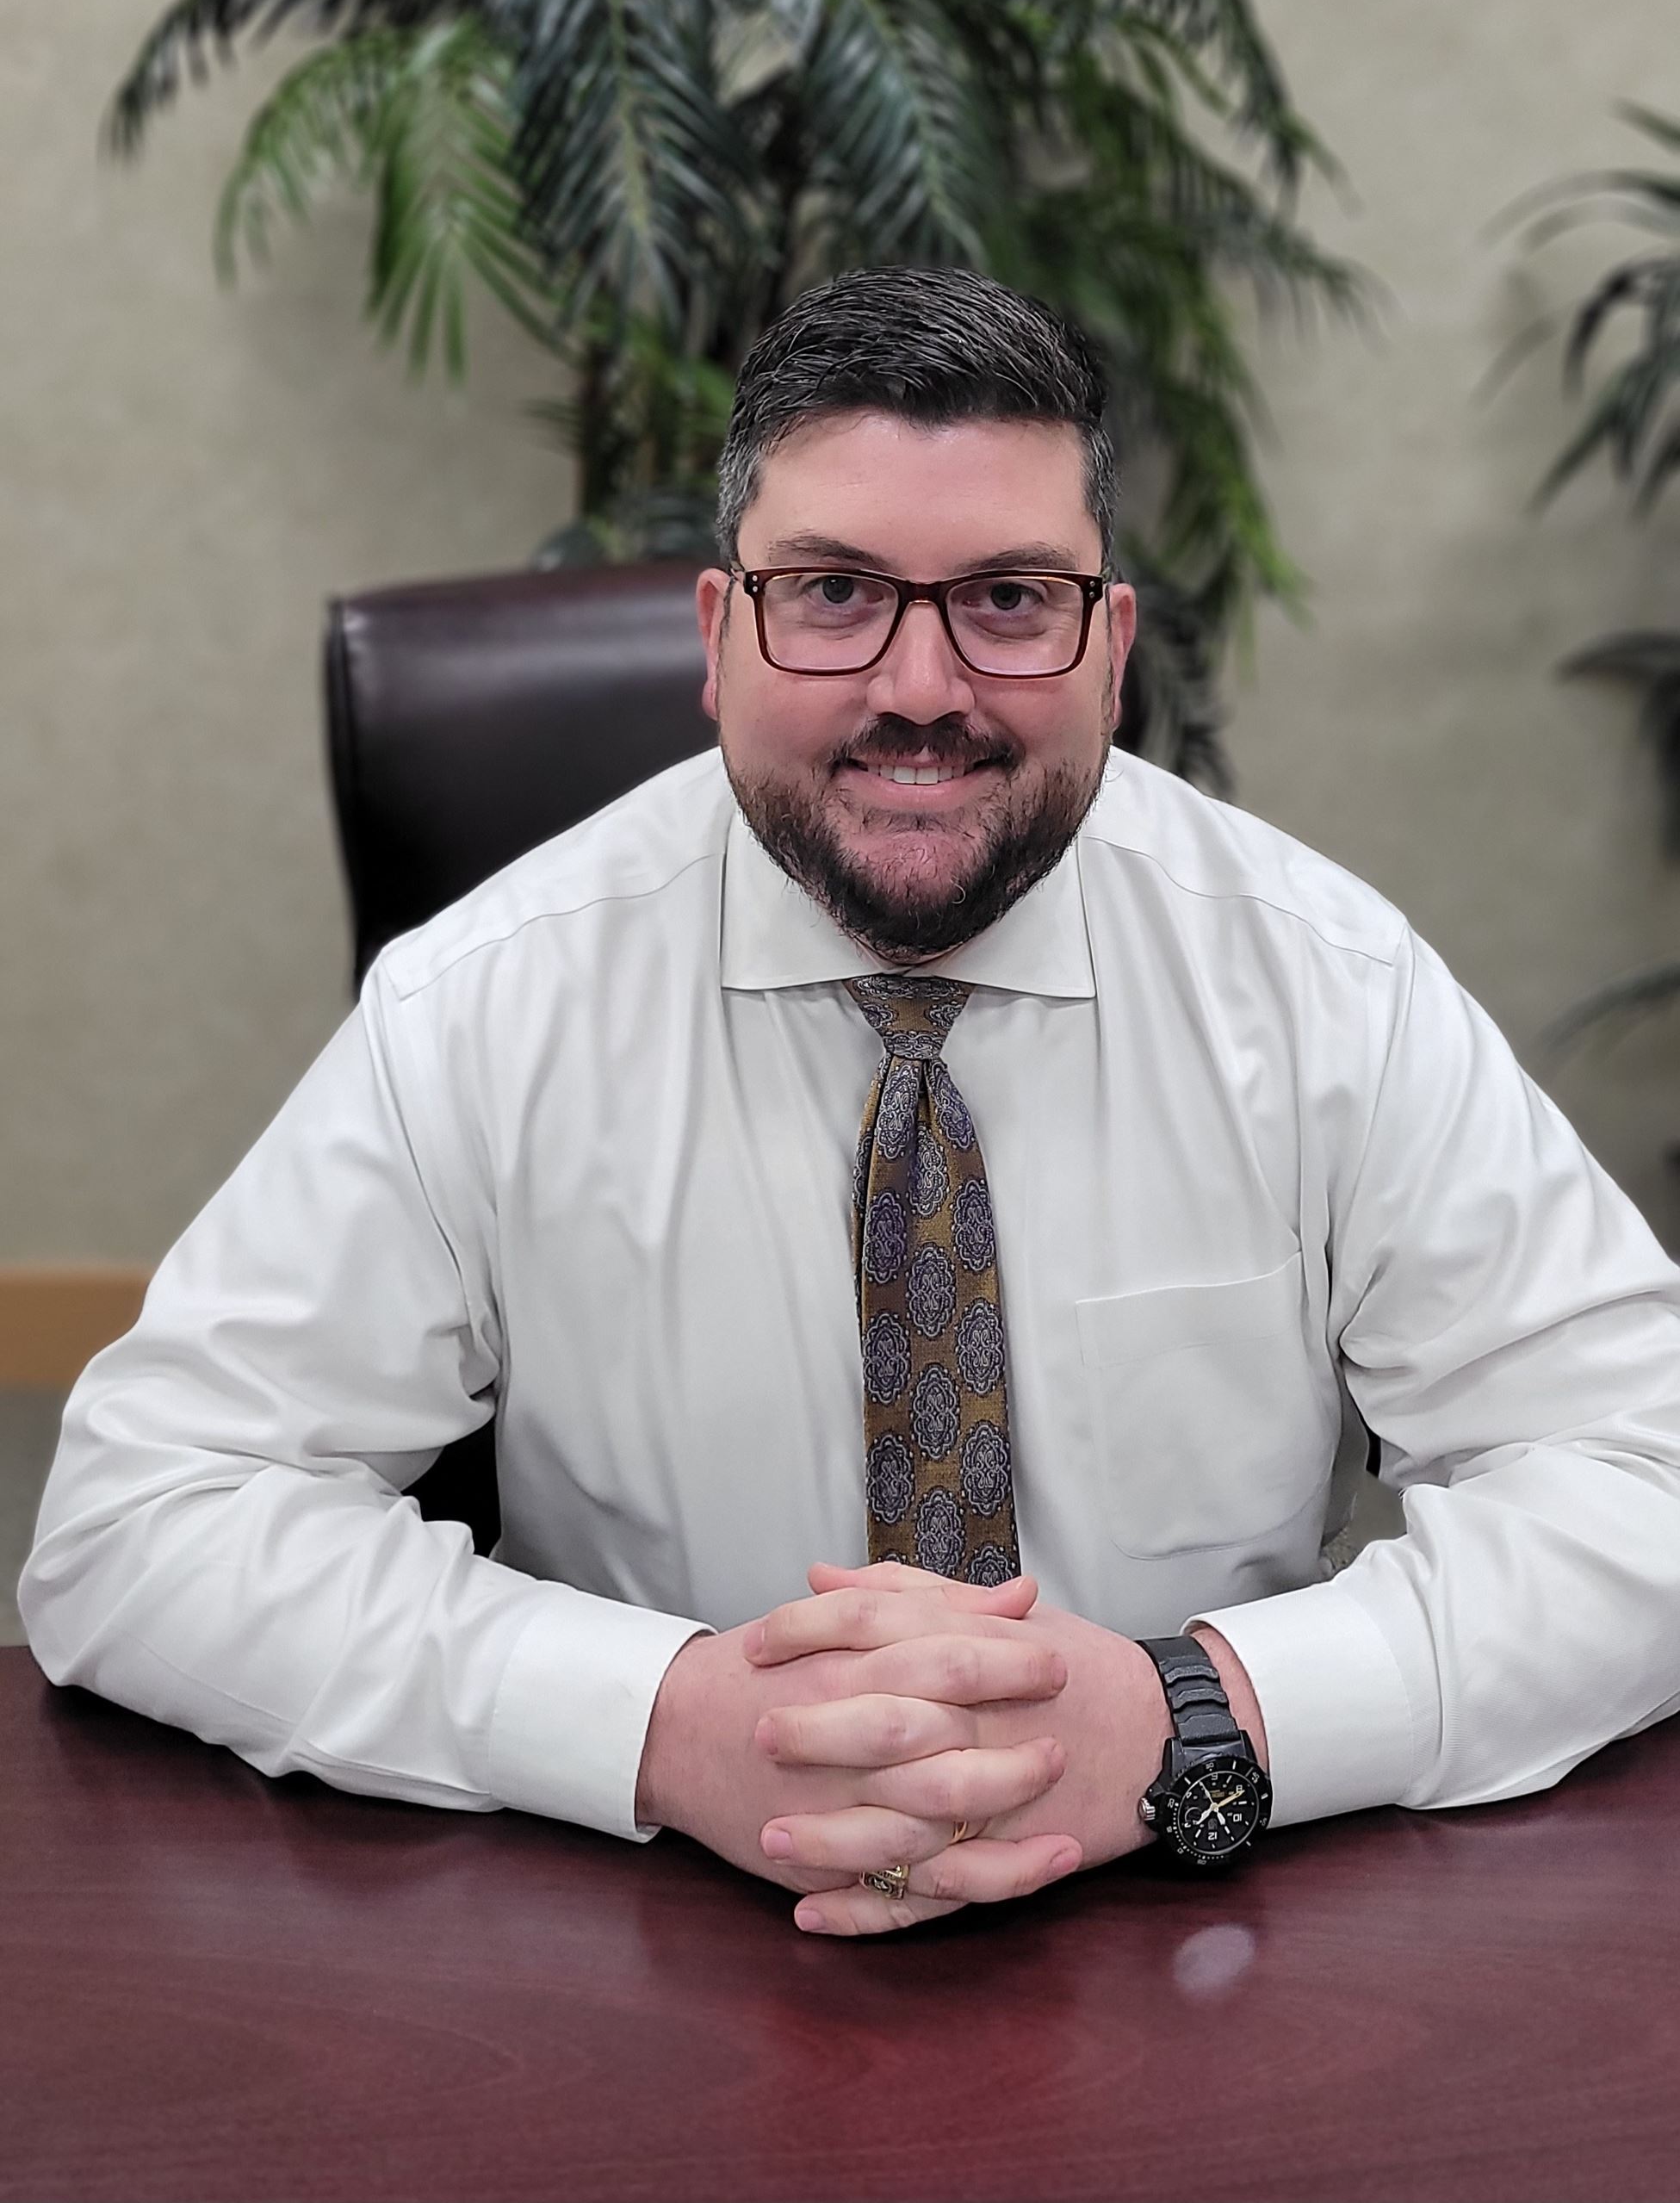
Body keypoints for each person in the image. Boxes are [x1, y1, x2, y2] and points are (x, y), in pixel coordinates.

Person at [21, 265, 1680, 1938]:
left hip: (1201, 1915)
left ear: (1109, 652)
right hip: (643, 1934)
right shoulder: (488, 1000)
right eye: (830, 593)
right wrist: (659, 1724)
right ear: (716, 633)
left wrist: (1203, 1713)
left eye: (1010, 600)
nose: (919, 684)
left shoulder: (1324, 988)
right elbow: (139, 1526)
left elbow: (1646, 1476)